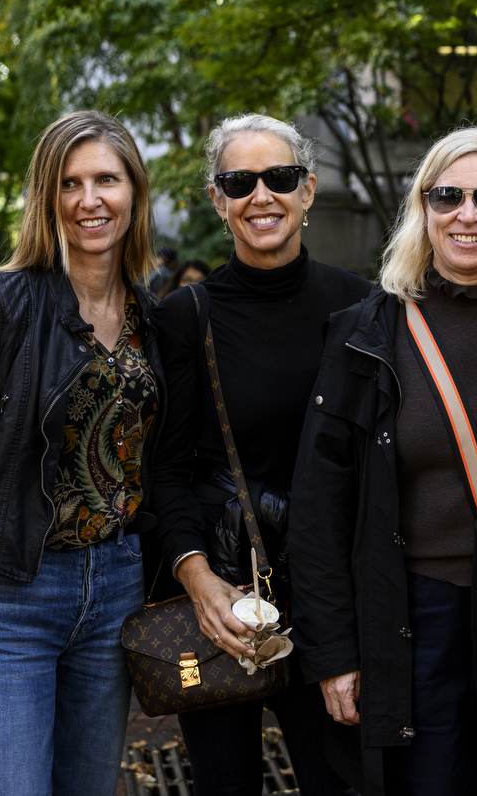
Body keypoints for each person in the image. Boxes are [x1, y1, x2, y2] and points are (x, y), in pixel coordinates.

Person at [289, 126, 477, 796]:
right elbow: (319, 507)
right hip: (407, 616)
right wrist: (332, 653)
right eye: (447, 195)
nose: (467, 213)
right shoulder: (367, 331)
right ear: (423, 207)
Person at [0, 111, 164, 795]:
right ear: (47, 199)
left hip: (114, 594)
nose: (89, 200)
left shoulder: (153, 313)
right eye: (69, 184)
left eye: (106, 179)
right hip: (4, 596)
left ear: (134, 191)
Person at [152, 113, 372, 796]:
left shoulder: (362, 306)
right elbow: (165, 468)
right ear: (219, 202)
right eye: (239, 182)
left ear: (306, 190)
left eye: (279, 178)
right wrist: (196, 578)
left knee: (343, 781)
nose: (261, 196)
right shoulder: (186, 316)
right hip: (225, 603)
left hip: (332, 605)